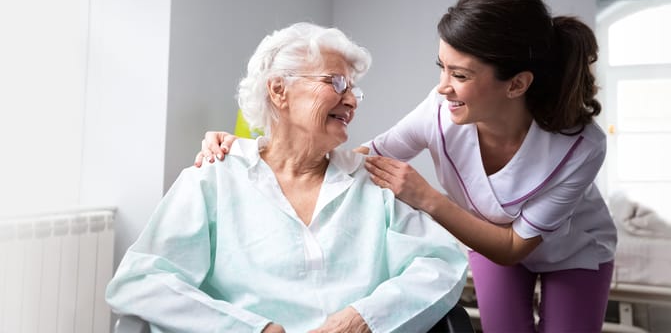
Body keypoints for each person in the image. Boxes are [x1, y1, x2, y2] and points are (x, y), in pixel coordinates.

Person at [197, 0, 617, 332]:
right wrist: (254, 152)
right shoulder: (439, 111)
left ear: (516, 85)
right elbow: (361, 160)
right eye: (442, 67)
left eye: (461, 75)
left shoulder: (580, 147)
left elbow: (511, 247)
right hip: (486, 243)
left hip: (571, 251)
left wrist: (427, 197)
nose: (442, 87)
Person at [107, 22, 468, 333]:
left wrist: (362, 319)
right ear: (279, 90)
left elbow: (442, 265)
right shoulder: (213, 180)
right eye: (337, 82)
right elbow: (141, 281)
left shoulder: (374, 183)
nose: (352, 101)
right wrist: (252, 329)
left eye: (354, 90)